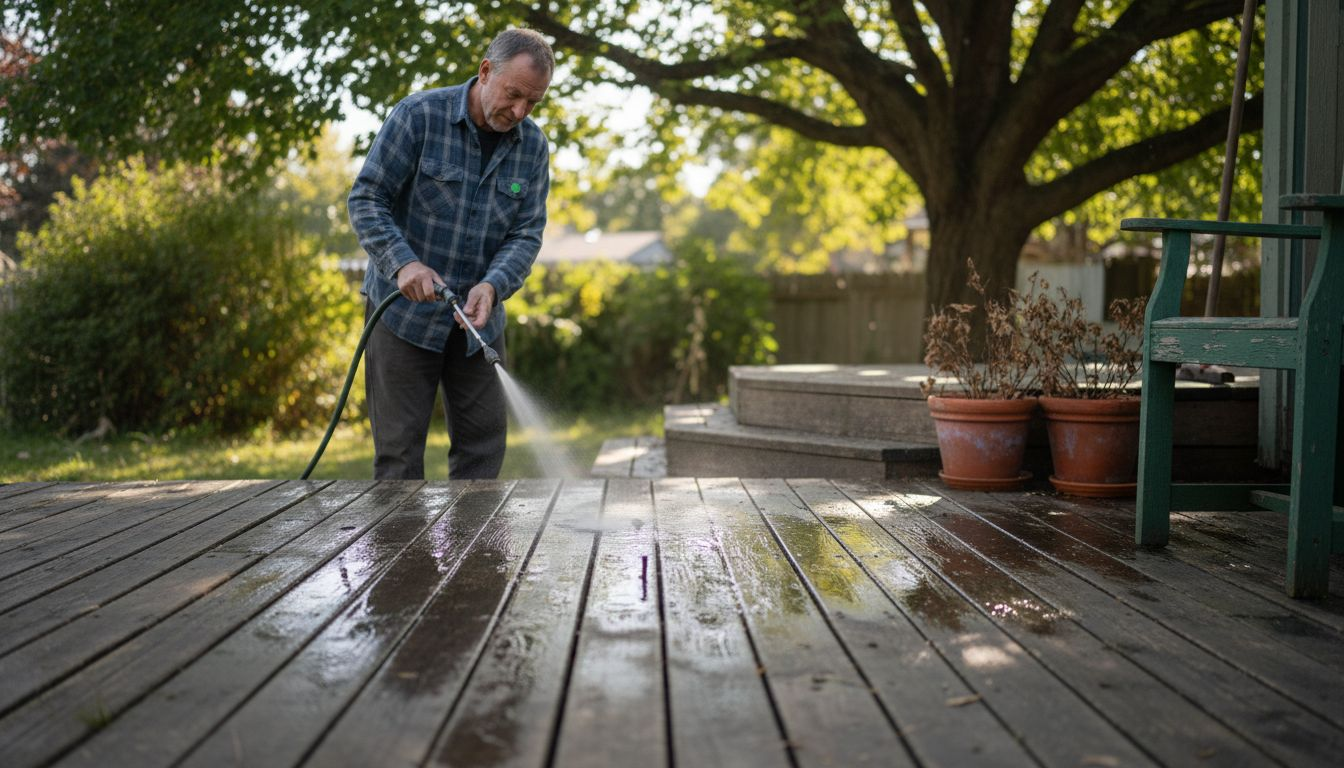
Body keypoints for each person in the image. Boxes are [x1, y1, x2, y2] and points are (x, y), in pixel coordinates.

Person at [348, 28, 554, 480]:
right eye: (514, 94)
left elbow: (525, 234)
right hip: (401, 319)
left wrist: (493, 286)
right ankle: (403, 554)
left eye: (532, 102)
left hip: (479, 326)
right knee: (399, 460)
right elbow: (367, 199)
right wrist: (403, 263)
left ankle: (476, 553)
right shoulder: (418, 116)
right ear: (485, 72)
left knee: (482, 456)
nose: (520, 111)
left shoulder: (533, 147)